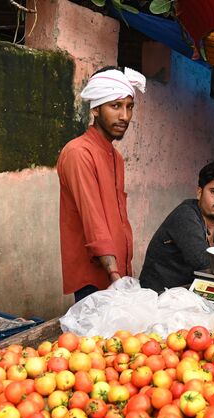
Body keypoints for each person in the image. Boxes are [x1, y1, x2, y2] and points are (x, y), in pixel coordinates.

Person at [56, 66, 146, 302]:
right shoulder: (78, 152)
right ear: (95, 109)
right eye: (115, 106)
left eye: (129, 107)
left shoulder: (115, 157)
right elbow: (93, 218)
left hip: (118, 275)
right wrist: (114, 276)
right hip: (95, 278)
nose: (124, 116)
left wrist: (123, 275)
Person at [139, 162, 214, 292]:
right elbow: (203, 262)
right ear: (199, 192)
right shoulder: (185, 215)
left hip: (193, 294)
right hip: (159, 295)